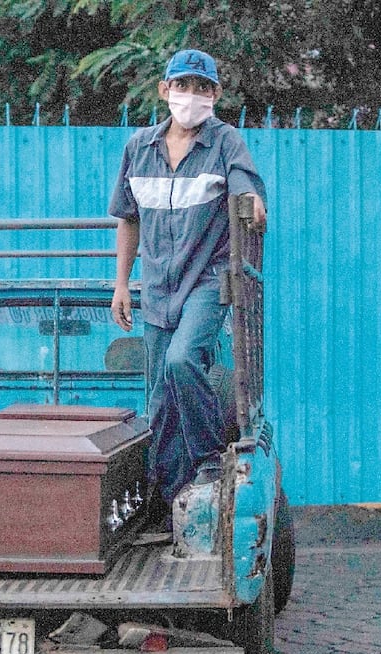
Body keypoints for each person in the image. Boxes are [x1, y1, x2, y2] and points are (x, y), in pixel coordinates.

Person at [108, 49, 267, 514]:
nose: (191, 96)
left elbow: (244, 185)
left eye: (202, 88)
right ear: (164, 90)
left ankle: (208, 461)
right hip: (156, 286)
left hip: (206, 280)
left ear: (215, 94)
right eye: (182, 86)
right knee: (159, 405)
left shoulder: (225, 142)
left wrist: (251, 201)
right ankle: (174, 502)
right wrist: (122, 284)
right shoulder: (139, 147)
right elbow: (128, 219)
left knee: (182, 362)